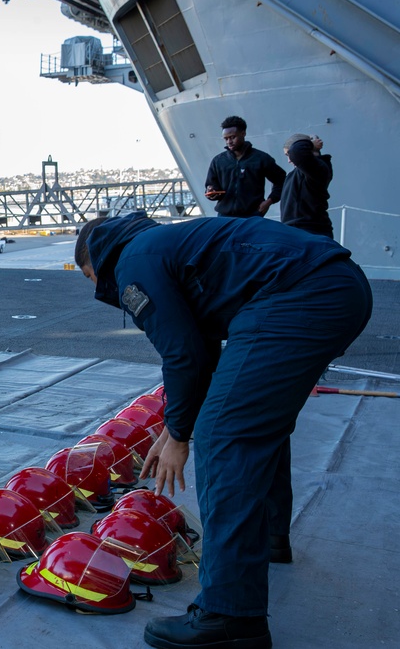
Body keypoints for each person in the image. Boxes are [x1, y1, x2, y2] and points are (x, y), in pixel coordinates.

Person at [75, 212, 371, 649]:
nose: (101, 288)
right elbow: (203, 349)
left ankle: (230, 613)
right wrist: (175, 424)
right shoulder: (164, 243)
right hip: (336, 285)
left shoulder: (132, 263)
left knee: (225, 435)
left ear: (96, 257)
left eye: (91, 278)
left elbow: (183, 355)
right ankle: (268, 537)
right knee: (251, 419)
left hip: (299, 294)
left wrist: (181, 436)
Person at [205, 116, 286, 217]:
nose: (229, 142)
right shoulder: (218, 160)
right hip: (224, 217)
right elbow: (211, 185)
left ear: (243, 133)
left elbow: (281, 181)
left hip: (252, 216)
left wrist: (269, 202)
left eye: (232, 137)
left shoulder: (261, 158)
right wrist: (211, 192)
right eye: (226, 138)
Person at [280, 133, 334, 238]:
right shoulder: (297, 173)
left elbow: (297, 152)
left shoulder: (318, 169)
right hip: (296, 231)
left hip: (311, 232)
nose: (289, 160)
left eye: (289, 155)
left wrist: (310, 144)